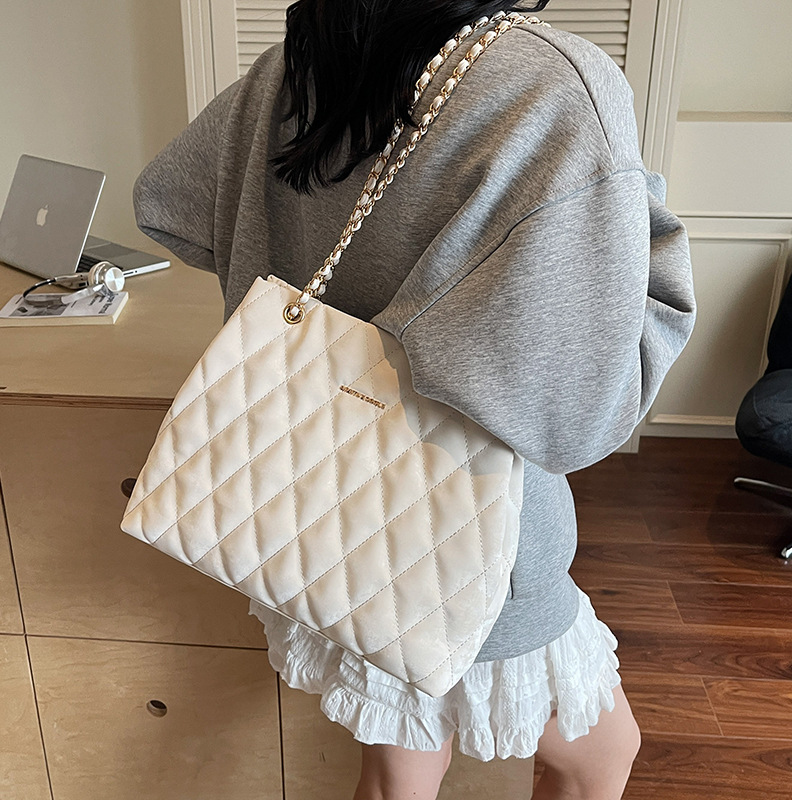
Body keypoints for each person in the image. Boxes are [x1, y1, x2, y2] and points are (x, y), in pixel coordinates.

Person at [132, 1, 696, 797]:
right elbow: (582, 414)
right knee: (602, 755)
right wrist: (623, 217)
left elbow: (168, 206)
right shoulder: (552, 83)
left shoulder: (304, 61)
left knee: (398, 769)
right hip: (464, 536)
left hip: (315, 508)